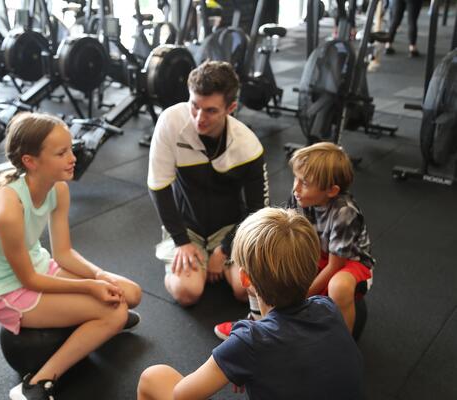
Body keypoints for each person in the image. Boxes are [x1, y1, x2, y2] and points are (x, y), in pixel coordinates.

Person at [0, 112, 142, 400]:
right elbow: (28, 279)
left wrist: (100, 276)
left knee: (131, 293)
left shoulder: (58, 189)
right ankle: (38, 382)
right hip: (7, 291)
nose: (72, 157)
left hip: (39, 268)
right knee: (114, 311)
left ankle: (98, 322)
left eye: (71, 148)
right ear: (30, 161)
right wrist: (90, 287)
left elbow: (63, 253)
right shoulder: (8, 208)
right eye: (61, 153)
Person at [137, 207, 365, 400]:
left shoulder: (249, 343)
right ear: (313, 266)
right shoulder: (327, 308)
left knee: (154, 377)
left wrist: (240, 351)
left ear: (245, 279)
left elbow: (181, 395)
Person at [215, 142, 374, 339]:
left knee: (338, 286)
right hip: (313, 251)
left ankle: (341, 342)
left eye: (305, 183)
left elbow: (334, 266)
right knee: (261, 265)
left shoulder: (344, 212)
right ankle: (256, 324)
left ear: (331, 191)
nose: (296, 188)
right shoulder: (300, 197)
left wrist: (298, 296)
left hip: (349, 262)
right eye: (296, 179)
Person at [147, 60, 269, 307]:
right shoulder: (170, 122)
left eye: (211, 111)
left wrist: (225, 249)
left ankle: (220, 266)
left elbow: (258, 210)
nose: (199, 118)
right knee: (188, 292)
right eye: (194, 106)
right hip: (188, 227)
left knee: (245, 290)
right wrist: (181, 241)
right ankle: (189, 263)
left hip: (230, 228)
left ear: (231, 108)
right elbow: (158, 187)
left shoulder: (248, 145)